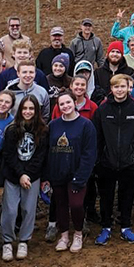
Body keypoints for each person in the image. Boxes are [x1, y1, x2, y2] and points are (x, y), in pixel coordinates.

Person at [94, 74, 134, 245]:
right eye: (116, 87)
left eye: (123, 87)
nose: (119, 90)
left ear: (128, 88)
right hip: (106, 163)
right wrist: (98, 162)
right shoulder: (102, 110)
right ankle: (106, 227)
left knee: (127, 196)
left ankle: (126, 226)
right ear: (111, 89)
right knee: (106, 197)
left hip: (129, 164)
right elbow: (97, 138)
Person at [46, 91, 98, 252]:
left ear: (75, 103)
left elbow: (89, 153)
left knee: (76, 205)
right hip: (58, 173)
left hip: (77, 174)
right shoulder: (53, 125)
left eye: (68, 102)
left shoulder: (86, 125)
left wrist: (81, 177)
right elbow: (47, 151)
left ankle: (78, 233)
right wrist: (48, 175)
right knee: (60, 205)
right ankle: (64, 235)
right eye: (62, 104)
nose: (65, 106)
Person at [0, 96, 48, 260]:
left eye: (31, 109)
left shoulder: (42, 130)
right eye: (25, 109)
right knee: (10, 209)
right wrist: (20, 174)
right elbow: (9, 155)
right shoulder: (12, 129)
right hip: (13, 176)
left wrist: (28, 174)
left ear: (36, 111)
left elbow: (40, 156)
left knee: (28, 209)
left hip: (32, 176)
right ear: (20, 110)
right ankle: (7, 240)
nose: (28, 112)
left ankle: (24, 240)